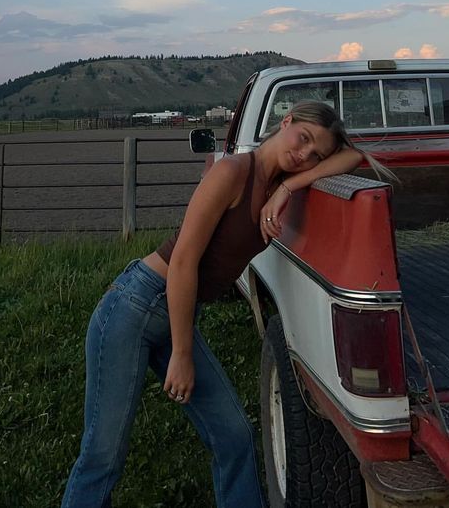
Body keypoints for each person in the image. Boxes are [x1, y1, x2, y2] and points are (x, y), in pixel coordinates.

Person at [61, 101, 383, 508]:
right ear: (285, 122)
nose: (304, 155)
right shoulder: (232, 172)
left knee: (233, 436)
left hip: (175, 310)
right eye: (302, 139)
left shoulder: (274, 184)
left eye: (315, 154)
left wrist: (290, 186)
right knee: (103, 454)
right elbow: (183, 261)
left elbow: (354, 156)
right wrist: (181, 354)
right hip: (136, 306)